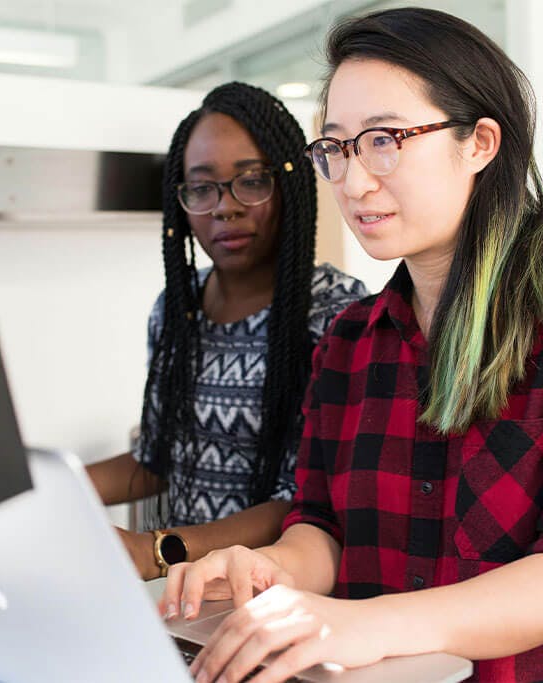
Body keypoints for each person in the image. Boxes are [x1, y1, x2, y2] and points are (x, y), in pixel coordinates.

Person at [160, 8, 543, 683]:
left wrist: (373, 621)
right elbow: (323, 527)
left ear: (480, 142)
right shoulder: (349, 339)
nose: (354, 181)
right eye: (336, 148)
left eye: (385, 140)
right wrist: (273, 567)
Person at [87, 82, 367, 581]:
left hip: (277, 594)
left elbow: (305, 500)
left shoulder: (335, 314)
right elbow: (157, 458)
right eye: (202, 187)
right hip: (184, 595)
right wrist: (47, 491)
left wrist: (156, 551)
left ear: (289, 185)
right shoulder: (177, 309)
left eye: (251, 181)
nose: (225, 207)